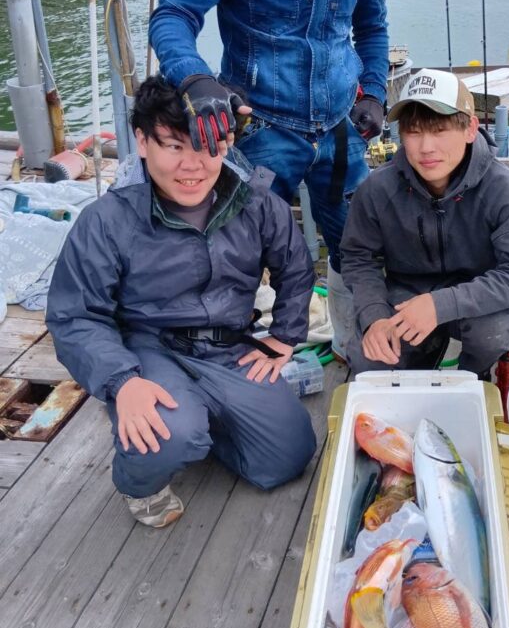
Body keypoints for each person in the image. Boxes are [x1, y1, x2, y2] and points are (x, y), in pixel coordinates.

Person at [148, 0, 389, 359]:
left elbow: (373, 28)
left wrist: (375, 92)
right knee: (237, 253)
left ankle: (359, 354)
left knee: (360, 251)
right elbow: (173, 13)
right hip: (260, 130)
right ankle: (233, 361)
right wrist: (195, 79)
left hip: (340, 132)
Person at [46, 77, 317, 529]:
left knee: (289, 455)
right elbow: (75, 316)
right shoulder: (106, 221)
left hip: (230, 346)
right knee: (168, 436)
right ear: (142, 142)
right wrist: (122, 381)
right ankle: (140, 482)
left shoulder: (256, 203)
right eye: (173, 146)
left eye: (208, 146)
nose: (192, 165)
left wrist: (285, 336)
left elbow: (295, 268)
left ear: (227, 142)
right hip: (148, 349)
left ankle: (202, 419)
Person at [340, 69, 509, 377]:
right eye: (414, 132)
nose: (426, 148)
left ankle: (472, 378)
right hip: (405, 294)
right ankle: (418, 367)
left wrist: (440, 305)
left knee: (491, 334)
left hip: (477, 294)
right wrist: (374, 316)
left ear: (470, 129)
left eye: (439, 131)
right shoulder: (376, 189)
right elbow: (358, 258)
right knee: (369, 359)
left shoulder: (503, 188)